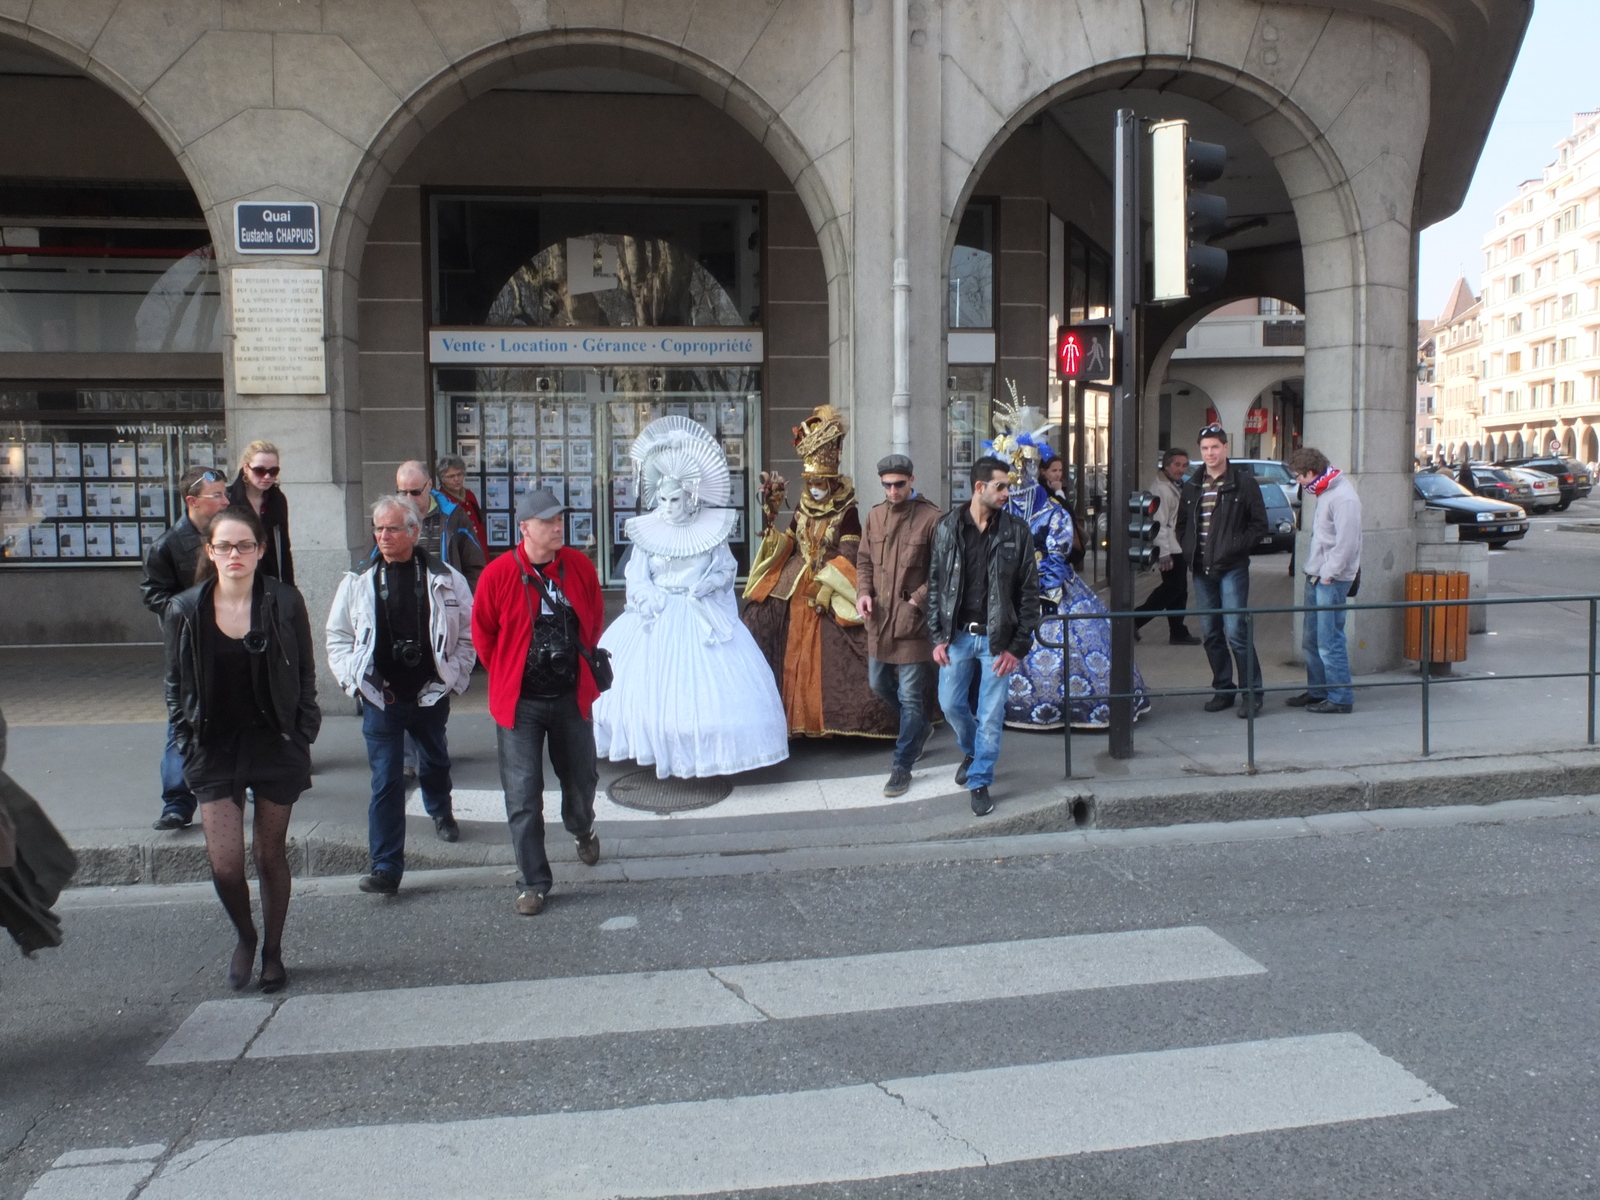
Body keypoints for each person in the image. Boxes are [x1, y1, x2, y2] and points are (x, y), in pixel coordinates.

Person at [163, 505, 320, 993]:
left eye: (245, 545)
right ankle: (245, 937)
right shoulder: (185, 609)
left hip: (275, 742)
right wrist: (184, 741)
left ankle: (273, 950)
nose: (235, 554)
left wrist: (305, 727)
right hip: (214, 746)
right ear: (210, 552)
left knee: (269, 855)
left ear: (260, 550)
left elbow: (306, 672)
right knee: (225, 863)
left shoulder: (284, 600)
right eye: (225, 546)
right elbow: (175, 684)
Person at [593, 417, 788, 778]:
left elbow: (726, 569)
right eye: (663, 498)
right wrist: (647, 595)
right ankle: (658, 745)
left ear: (690, 495)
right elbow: (637, 575)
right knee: (651, 690)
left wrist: (709, 584)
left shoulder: (711, 530)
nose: (668, 506)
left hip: (700, 615)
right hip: (658, 614)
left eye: (676, 498)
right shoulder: (647, 530)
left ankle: (705, 751)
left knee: (705, 693)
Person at [326, 497, 476, 895]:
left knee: (435, 758)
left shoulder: (444, 577)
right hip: (381, 696)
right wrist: (352, 681)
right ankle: (386, 866)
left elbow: (468, 632)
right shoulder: (358, 580)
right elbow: (337, 636)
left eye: (392, 529)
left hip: (430, 690)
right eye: (378, 529)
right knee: (386, 780)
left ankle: (440, 811)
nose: (383, 536)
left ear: (413, 531)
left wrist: (455, 674)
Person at [472, 487, 603, 916]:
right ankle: (533, 881)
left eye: (559, 519)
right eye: (547, 522)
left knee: (581, 781)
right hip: (521, 704)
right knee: (523, 795)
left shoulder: (579, 567)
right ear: (524, 528)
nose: (558, 526)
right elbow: (484, 634)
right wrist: (512, 671)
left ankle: (582, 827)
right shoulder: (498, 574)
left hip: (569, 697)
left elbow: (595, 618)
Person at [985, 402, 1148, 731]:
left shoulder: (1053, 510)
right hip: (1006, 587)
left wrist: (1042, 590)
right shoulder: (998, 512)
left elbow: (1057, 554)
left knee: (1071, 639)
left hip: (1051, 588)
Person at [742, 405, 896, 738]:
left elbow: (851, 553)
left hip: (831, 581)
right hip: (794, 580)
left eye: (820, 482)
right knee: (758, 619)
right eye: (810, 481)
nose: (813, 488)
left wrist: (827, 586)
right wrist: (770, 523)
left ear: (831, 480)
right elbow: (789, 541)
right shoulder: (802, 505)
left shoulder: (848, 511)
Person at [927, 455, 1040, 817]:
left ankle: (979, 780)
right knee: (950, 705)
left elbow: (1029, 593)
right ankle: (973, 749)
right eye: (1001, 486)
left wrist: (1017, 647)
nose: (1008, 492)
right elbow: (935, 586)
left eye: (1007, 485)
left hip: (997, 641)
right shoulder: (947, 527)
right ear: (980, 488)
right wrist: (937, 636)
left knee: (990, 715)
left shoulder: (1016, 531)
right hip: (958, 637)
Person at [142, 466, 231, 830]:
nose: (226, 501)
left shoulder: (230, 535)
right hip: (187, 647)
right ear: (192, 502)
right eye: (218, 496)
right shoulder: (166, 545)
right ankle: (177, 801)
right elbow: (153, 594)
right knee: (182, 717)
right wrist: (186, 613)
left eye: (226, 494)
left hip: (230, 639)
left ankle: (244, 782)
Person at [856, 453, 942, 796]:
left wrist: (915, 601)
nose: (893, 491)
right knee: (878, 683)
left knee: (909, 695)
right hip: (879, 620)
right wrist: (863, 593)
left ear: (911, 480)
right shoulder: (874, 516)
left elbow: (941, 572)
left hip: (912, 624)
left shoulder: (932, 518)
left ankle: (902, 765)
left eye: (899, 484)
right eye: (887, 485)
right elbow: (864, 561)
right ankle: (919, 728)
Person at [1176, 424, 1269, 717]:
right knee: (1211, 632)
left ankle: (1252, 693)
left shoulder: (1244, 484)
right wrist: (1187, 546)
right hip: (1201, 569)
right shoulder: (1192, 485)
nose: (1210, 453)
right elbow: (1181, 524)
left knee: (1236, 631)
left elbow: (1259, 526)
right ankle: (1223, 689)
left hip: (1232, 568)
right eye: (1204, 449)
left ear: (1226, 448)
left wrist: (1233, 547)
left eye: (1215, 447)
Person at [1286, 447, 1362, 714]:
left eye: (1298, 476)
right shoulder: (1326, 490)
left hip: (1330, 578)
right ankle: (1319, 692)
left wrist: (1329, 573)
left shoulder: (1341, 496)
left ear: (1311, 473)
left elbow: (1347, 542)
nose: (1297, 481)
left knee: (1329, 641)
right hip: (1319, 574)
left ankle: (1340, 698)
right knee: (1312, 640)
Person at [1134, 449, 1200, 644]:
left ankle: (1178, 631)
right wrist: (1164, 554)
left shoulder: (1175, 485)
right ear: (1167, 465)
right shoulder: (1161, 489)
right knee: (1172, 589)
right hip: (1170, 548)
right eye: (1177, 465)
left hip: (1177, 545)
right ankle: (1134, 620)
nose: (1181, 469)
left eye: (1184, 465)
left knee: (1179, 590)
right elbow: (1159, 523)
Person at [396, 460, 484, 591]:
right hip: (403, 600)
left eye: (415, 492)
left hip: (446, 600)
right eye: (402, 493)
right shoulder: (389, 517)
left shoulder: (454, 515)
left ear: (429, 484)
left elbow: (475, 565)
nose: (409, 499)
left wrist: (464, 600)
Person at [226, 441, 293, 584]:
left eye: (273, 471)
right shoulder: (228, 498)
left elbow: (284, 547)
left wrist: (289, 587)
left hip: (270, 578)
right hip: (236, 576)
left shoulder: (277, 500)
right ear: (246, 468)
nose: (267, 477)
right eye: (259, 471)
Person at [436, 453, 487, 554]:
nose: (456, 479)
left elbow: (480, 525)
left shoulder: (469, 495)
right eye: (451, 476)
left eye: (459, 474)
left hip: (480, 550)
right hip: (460, 554)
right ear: (442, 479)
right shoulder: (440, 500)